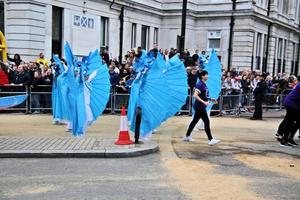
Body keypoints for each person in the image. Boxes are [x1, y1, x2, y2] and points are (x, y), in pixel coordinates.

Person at [184, 70, 220, 145]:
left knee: (194, 121)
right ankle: (210, 139)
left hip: (200, 106)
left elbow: (203, 95)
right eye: (206, 74)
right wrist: (204, 102)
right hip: (200, 106)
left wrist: (210, 99)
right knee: (206, 121)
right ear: (202, 76)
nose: (207, 76)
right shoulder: (200, 84)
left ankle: (187, 136)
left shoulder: (203, 84)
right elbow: (195, 95)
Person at [276, 79, 300, 147]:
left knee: (290, 121)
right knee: (289, 122)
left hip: (292, 104)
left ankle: (286, 138)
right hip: (292, 105)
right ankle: (284, 140)